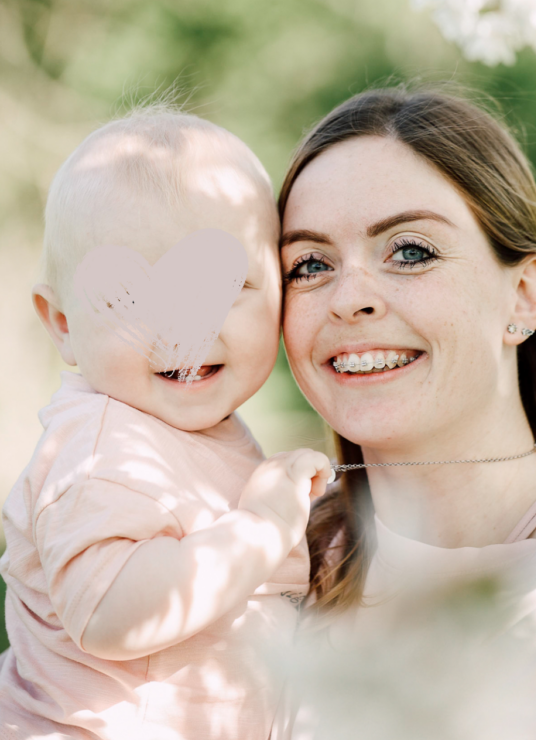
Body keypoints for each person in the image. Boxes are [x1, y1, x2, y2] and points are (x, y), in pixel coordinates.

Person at [276, 85, 536, 740]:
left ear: (523, 297)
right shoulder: (271, 557)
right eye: (308, 263)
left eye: (410, 251)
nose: (347, 298)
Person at [0, 107, 330, 740]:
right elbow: (113, 613)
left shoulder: (182, 430)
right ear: (62, 323)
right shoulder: (98, 447)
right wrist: (260, 527)